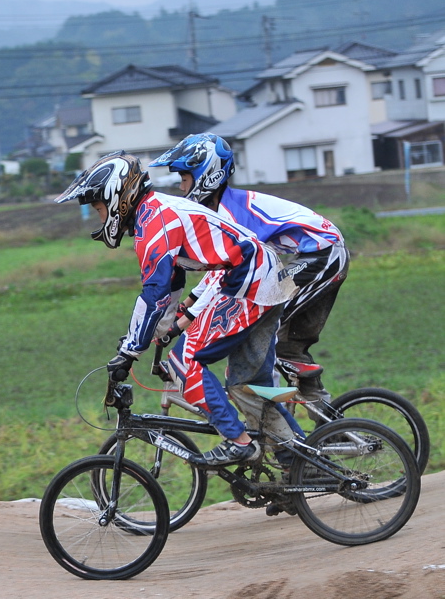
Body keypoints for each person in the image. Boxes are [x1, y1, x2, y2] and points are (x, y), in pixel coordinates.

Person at [55, 151, 297, 466]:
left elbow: (155, 292)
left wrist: (130, 351)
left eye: (99, 208)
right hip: (259, 277)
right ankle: (299, 463)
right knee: (245, 386)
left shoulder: (153, 222)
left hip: (249, 283)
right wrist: (163, 329)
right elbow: (171, 283)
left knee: (185, 362)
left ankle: (239, 443)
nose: (100, 217)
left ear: (118, 199)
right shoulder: (156, 212)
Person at [149, 133, 349, 411]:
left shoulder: (229, 213)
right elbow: (222, 271)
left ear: (206, 176)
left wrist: (185, 321)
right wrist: (188, 306)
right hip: (317, 254)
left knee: (264, 315)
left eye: (185, 179)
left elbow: (227, 276)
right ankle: (330, 425)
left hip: (323, 253)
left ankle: (270, 411)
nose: (182, 188)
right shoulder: (222, 209)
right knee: (286, 348)